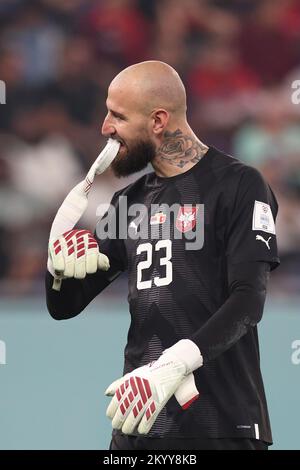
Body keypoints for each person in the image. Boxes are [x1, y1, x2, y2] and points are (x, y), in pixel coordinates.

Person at [45, 61, 280, 450]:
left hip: (221, 423)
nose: (105, 127)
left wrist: (175, 364)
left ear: (157, 120)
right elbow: (63, 305)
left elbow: (248, 300)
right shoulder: (127, 203)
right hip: (139, 423)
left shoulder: (240, 185)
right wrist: (56, 264)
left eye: (117, 115)